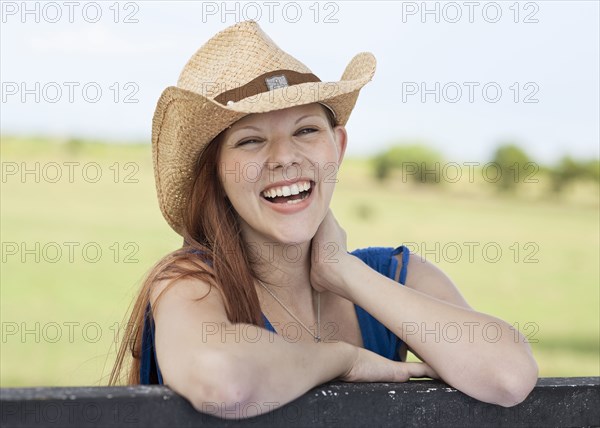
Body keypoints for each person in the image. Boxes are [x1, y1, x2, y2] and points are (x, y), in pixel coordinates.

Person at [109, 20, 538, 419]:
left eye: (306, 131)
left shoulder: (392, 275)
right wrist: (343, 358)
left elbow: (509, 377)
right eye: (251, 139)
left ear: (338, 147)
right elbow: (222, 380)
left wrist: (343, 270)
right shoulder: (189, 283)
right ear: (217, 173)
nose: (284, 157)